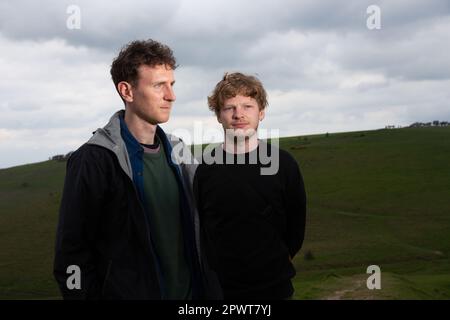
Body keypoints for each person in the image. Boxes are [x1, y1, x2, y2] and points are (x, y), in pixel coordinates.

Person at [54, 39, 221, 300]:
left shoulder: (180, 152)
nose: (171, 95)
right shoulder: (93, 160)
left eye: (172, 85)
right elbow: (71, 255)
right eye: (158, 85)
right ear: (127, 91)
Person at [194, 72, 306, 299]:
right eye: (229, 108)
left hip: (276, 287)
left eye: (247, 106)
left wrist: (278, 260)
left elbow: (296, 225)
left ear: (261, 112)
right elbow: (203, 228)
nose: (239, 115)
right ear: (218, 115)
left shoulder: (284, 164)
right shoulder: (205, 169)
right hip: (223, 291)